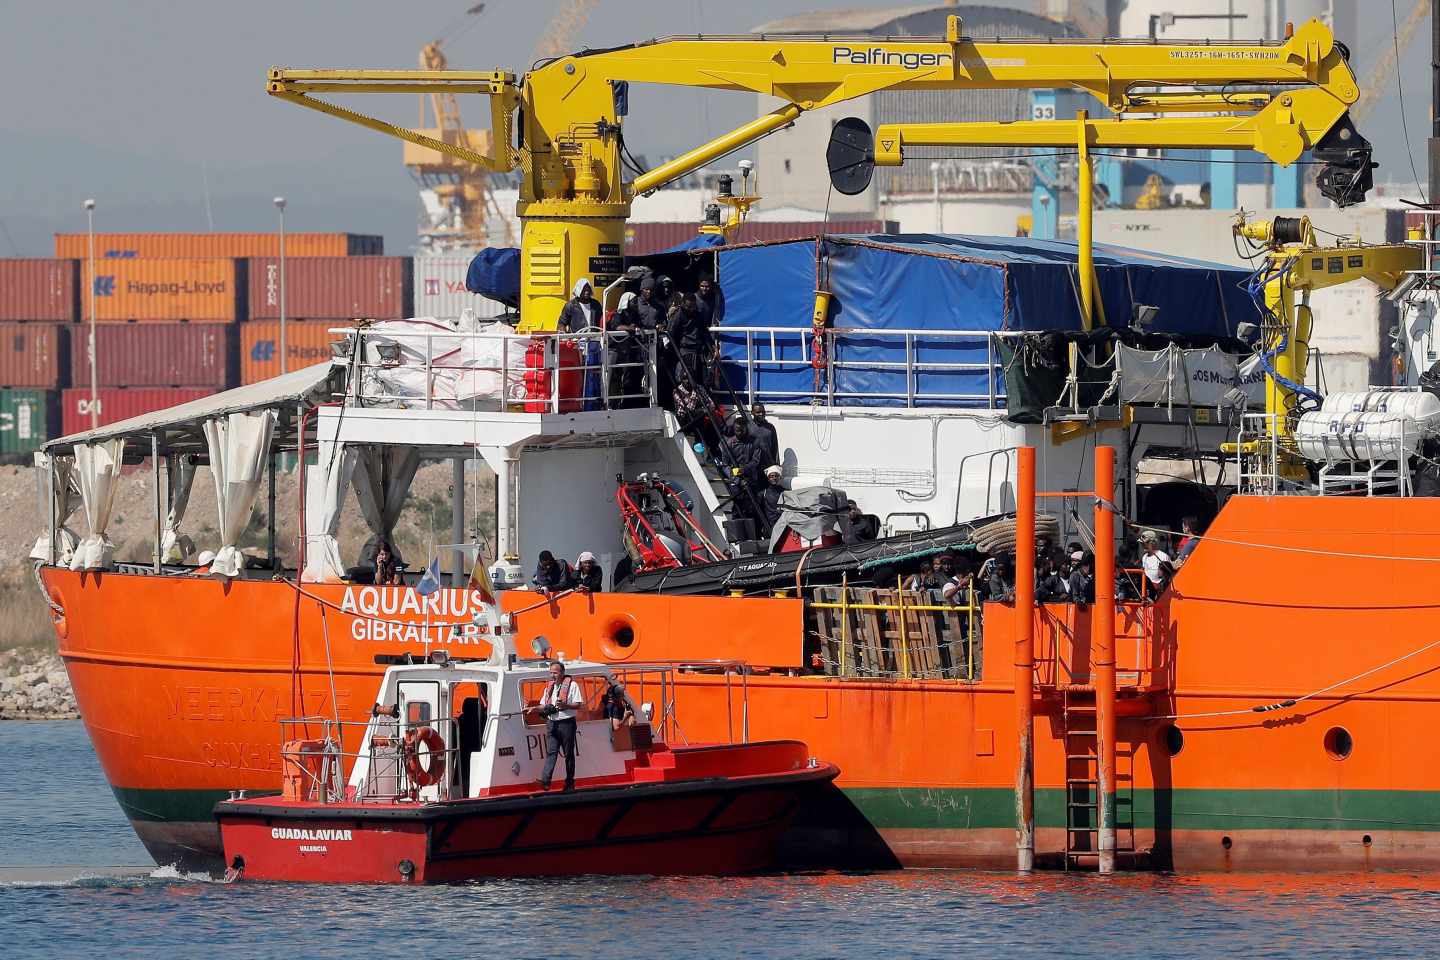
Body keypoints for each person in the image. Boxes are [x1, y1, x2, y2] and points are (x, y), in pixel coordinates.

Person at [537, 660, 584, 791]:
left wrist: (566, 705)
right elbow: (543, 705)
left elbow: (578, 704)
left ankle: (569, 783)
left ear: (562, 673)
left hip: (566, 723)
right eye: (551, 672)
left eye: (555, 673)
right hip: (552, 723)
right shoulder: (549, 687)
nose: (552, 675)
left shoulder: (572, 685)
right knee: (551, 752)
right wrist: (534, 709)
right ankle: (545, 781)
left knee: (569, 754)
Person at [607, 291, 645, 408]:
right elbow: (617, 326)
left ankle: (626, 402)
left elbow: (638, 325)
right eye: (633, 301)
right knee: (614, 379)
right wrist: (630, 328)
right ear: (627, 302)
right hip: (615, 352)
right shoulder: (618, 314)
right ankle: (613, 403)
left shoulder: (634, 314)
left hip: (628, 351)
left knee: (628, 378)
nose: (635, 303)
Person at [1139, 530, 1174, 595]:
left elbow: (1168, 577)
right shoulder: (1144, 557)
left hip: (1160, 593)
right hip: (1146, 591)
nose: (1142, 545)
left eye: (1145, 543)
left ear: (1153, 543)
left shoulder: (1163, 556)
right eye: (1141, 543)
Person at [748, 403, 779, 468]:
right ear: (752, 413)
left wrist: (776, 466)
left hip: (767, 465)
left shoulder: (771, 428)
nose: (761, 414)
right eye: (758, 412)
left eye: (763, 412)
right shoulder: (748, 427)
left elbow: (775, 448)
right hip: (752, 466)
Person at [760, 464, 785, 531]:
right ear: (768, 478)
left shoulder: (785, 492)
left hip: (783, 524)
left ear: (780, 477)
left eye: (776, 476)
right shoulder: (763, 493)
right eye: (771, 476)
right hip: (770, 526)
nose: (774, 478)